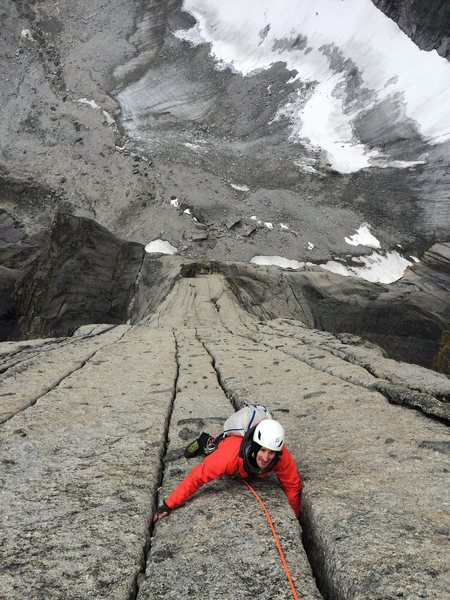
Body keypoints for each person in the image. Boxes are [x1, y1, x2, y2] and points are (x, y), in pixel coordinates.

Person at [153, 416, 302, 522]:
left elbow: (292, 485)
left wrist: (295, 517)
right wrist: (168, 504)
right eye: (263, 450)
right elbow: (197, 476)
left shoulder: (281, 456)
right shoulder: (228, 456)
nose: (266, 457)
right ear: (255, 447)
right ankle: (203, 441)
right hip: (228, 446)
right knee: (211, 450)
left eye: (271, 452)